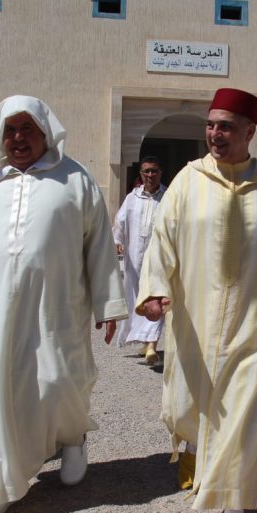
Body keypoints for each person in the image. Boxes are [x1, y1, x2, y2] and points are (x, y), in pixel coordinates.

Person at [0, 95, 126, 513]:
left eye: (27, 129)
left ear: (45, 133)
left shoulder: (75, 179)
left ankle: (72, 437)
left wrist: (108, 304)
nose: (18, 138)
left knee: (58, 382)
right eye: (10, 130)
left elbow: (99, 246)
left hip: (56, 309)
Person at [136, 88, 257, 513]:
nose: (215, 134)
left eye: (226, 126)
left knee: (241, 417)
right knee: (188, 404)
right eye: (211, 125)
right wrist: (153, 289)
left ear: (250, 132)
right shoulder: (187, 181)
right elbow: (162, 240)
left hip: (256, 324)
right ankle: (193, 446)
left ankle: (235, 512)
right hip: (195, 320)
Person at [113, 156, 166, 365]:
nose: (150, 175)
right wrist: (117, 240)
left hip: (159, 258)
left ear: (160, 173)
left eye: (154, 171)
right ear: (141, 174)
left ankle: (152, 344)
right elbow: (120, 221)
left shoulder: (168, 197)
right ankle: (145, 340)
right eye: (146, 171)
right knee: (136, 298)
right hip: (135, 258)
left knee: (156, 295)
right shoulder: (132, 198)